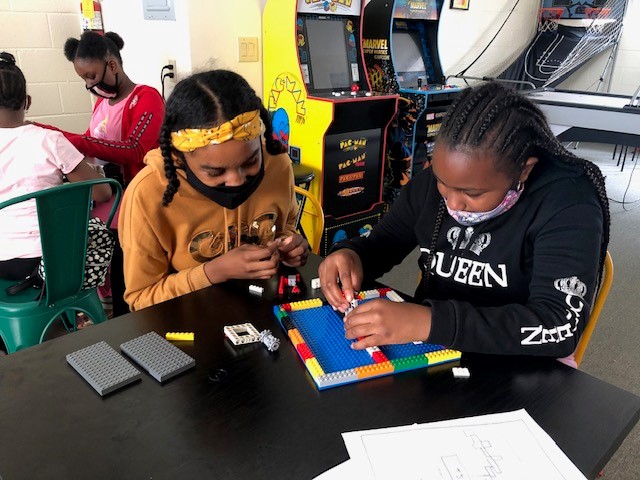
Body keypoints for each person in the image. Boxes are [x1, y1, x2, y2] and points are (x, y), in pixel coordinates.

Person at [319, 82, 610, 364]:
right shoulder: (431, 185)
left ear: (523, 170)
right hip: (435, 350)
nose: (453, 203)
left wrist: (427, 322)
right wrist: (350, 255)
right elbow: (382, 245)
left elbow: (559, 327)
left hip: (522, 365)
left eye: (472, 194)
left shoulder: (569, 204)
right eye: (443, 184)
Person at [119, 70, 309, 311]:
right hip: (190, 326)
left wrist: (289, 246)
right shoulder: (147, 194)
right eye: (216, 172)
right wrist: (212, 272)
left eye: (250, 161)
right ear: (180, 157)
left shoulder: (277, 165)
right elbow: (141, 299)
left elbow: (285, 226)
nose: (236, 181)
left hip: (265, 313)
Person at [54, 31, 165, 317]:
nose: (90, 84)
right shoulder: (103, 104)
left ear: (112, 65)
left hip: (136, 198)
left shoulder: (146, 98)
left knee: (127, 275)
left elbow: (134, 150)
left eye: (91, 76)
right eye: (84, 80)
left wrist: (66, 138)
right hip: (110, 198)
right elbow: (92, 144)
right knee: (108, 272)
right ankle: (109, 316)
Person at [0, 52, 111, 281]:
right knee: (98, 231)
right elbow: (102, 192)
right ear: (27, 101)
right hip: (46, 259)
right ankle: (78, 302)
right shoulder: (49, 140)